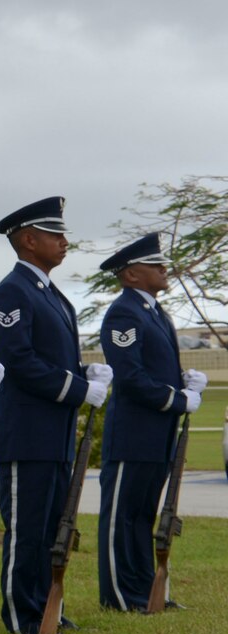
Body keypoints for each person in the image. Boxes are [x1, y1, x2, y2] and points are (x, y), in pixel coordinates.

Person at [0, 198, 108, 634]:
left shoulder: (49, 293)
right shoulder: (12, 291)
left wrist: (83, 373)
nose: (64, 242)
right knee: (26, 530)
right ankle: (23, 615)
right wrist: (78, 388)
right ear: (29, 239)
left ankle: (46, 607)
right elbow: (18, 360)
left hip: (53, 434)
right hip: (27, 433)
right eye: (55, 235)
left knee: (52, 527)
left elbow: (50, 357)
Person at [95, 233, 204, 610]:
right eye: (154, 264)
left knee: (143, 515)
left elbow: (155, 368)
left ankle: (145, 590)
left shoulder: (154, 311)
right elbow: (129, 376)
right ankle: (120, 595)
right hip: (133, 432)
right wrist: (176, 399)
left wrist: (183, 380)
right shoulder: (124, 312)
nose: (163, 268)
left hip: (157, 433)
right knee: (121, 518)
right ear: (131, 275)